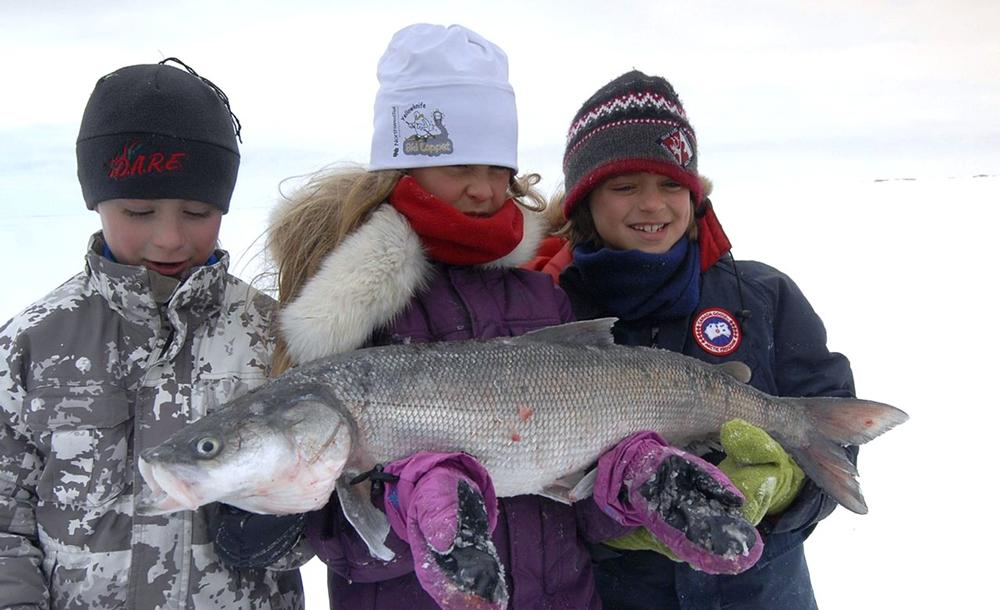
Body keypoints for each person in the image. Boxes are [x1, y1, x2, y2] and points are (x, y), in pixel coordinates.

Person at [536, 70, 858, 609]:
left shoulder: (763, 295)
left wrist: (786, 494)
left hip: (761, 590)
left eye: (670, 185)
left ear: (695, 193)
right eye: (624, 187)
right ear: (585, 200)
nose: (652, 206)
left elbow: (834, 433)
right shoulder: (550, 309)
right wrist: (609, 523)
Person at [0, 59, 304, 608]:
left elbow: (331, 491)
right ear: (96, 200)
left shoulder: (273, 336)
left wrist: (293, 531)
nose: (169, 239)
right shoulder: (30, 345)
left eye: (197, 211)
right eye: (139, 211)